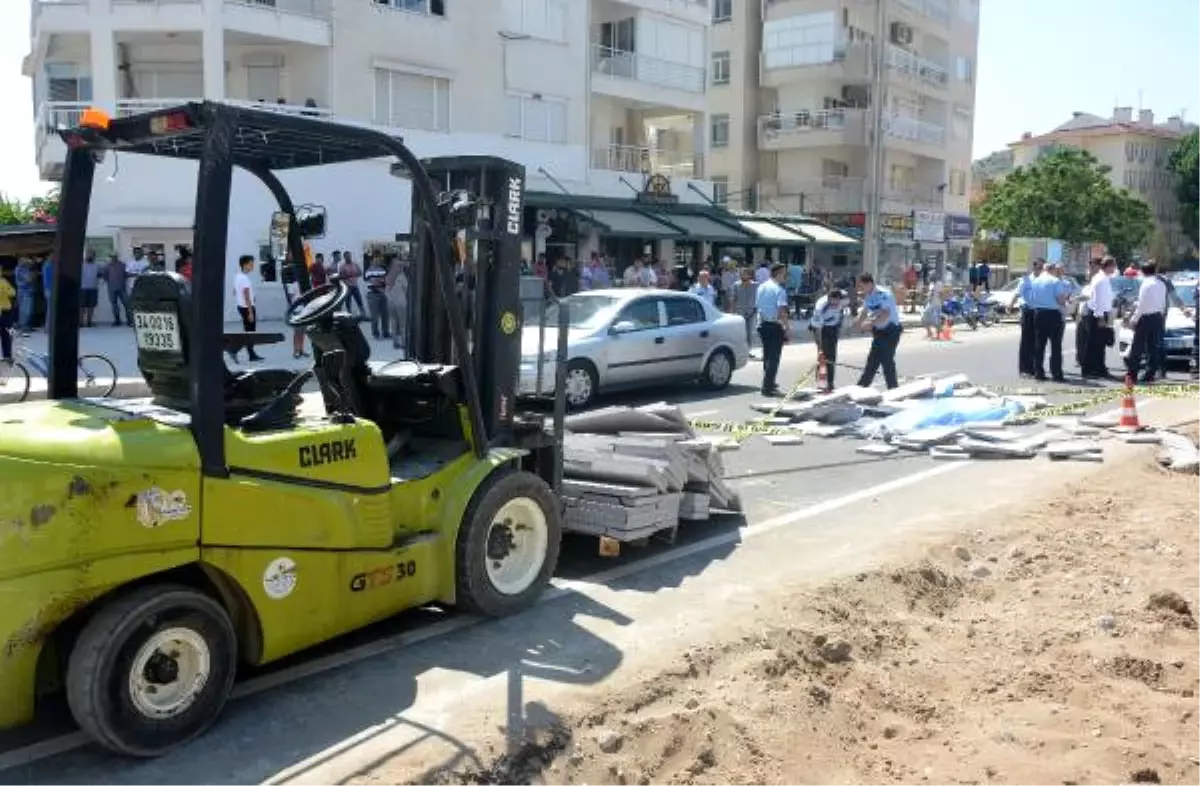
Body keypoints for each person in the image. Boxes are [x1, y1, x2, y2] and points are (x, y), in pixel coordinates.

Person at [853, 273, 903, 389]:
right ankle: (862, 387)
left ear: (869, 284)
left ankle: (893, 388)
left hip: (891, 331)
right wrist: (857, 323)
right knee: (872, 361)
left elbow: (885, 314)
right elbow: (865, 312)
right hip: (879, 332)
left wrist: (870, 324)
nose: (861, 289)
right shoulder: (868, 295)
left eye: (862, 286)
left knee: (887, 360)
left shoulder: (884, 294)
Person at [1125, 261, 1168, 383]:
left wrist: (1134, 319)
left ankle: (1132, 374)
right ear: (1155, 271)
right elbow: (1163, 304)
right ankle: (1150, 374)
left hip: (1145, 317)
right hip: (1158, 317)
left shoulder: (1146, 285)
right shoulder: (1161, 284)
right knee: (1153, 347)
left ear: (1143, 272)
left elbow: (1142, 305)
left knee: (1137, 347)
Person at [1028, 259, 1070, 382]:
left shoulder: (1035, 281)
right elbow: (1060, 300)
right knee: (1056, 345)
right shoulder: (1055, 281)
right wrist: (1066, 300)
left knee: (1039, 345)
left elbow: (1031, 298)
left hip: (1038, 313)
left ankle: (1038, 372)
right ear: (1052, 269)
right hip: (1053, 314)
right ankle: (1056, 373)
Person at [755, 263, 790, 397]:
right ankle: (767, 387)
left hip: (762, 324)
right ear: (779, 274)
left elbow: (757, 305)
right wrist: (787, 327)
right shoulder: (779, 290)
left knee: (767, 355)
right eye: (784, 274)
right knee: (774, 358)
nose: (785, 277)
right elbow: (782, 310)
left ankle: (769, 381)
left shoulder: (761, 287)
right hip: (774, 324)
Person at [1081, 256, 1118, 379]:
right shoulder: (1101, 279)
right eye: (1113, 266)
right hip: (1098, 315)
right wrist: (1101, 317)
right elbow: (1097, 300)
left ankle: (1098, 369)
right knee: (1094, 344)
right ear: (1108, 266)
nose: (1115, 268)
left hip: (1101, 313)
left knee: (1099, 344)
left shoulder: (1103, 278)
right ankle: (1089, 370)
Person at [230, 255, 263, 363]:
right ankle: (235, 350)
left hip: (241, 306)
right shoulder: (244, 278)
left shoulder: (238, 276)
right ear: (244, 265)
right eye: (250, 264)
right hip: (247, 308)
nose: (252, 266)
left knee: (248, 332)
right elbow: (247, 295)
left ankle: (251, 354)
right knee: (249, 333)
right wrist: (250, 312)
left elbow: (234, 291)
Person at [809, 288, 844, 392]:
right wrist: (820, 347)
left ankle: (830, 383)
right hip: (822, 328)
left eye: (836, 303)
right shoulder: (820, 307)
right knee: (823, 356)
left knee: (832, 356)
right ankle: (821, 383)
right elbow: (817, 328)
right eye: (832, 304)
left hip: (833, 327)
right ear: (828, 299)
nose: (835, 305)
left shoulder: (843, 300)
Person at [1017, 258, 1045, 377]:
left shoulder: (1045, 280)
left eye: (1042, 268)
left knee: (1037, 342)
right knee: (1026, 341)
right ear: (1034, 268)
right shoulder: (1027, 280)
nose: (1041, 271)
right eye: (1039, 268)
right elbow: (1018, 293)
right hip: (1028, 311)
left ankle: (1035, 367)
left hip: (1040, 311)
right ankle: (1025, 368)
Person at [1075, 258, 1101, 367]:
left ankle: (1089, 363)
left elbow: (1088, 298)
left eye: (1091, 269)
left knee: (1090, 341)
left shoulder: (1097, 285)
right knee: (1080, 340)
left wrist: (1075, 298)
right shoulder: (1085, 287)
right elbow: (1080, 304)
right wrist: (1077, 314)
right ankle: (1081, 360)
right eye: (1089, 269)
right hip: (1082, 316)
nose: (1088, 272)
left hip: (1091, 316)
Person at [386, 256, 409, 352]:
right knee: (403, 324)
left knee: (393, 322)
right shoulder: (401, 277)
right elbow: (407, 289)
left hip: (390, 302)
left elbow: (386, 291)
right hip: (401, 303)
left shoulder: (389, 276)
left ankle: (395, 342)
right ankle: (404, 343)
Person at [101, 253, 131, 327]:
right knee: (114, 305)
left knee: (127, 304)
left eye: (114, 256)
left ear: (117, 257)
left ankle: (130, 320)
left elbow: (126, 274)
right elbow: (105, 276)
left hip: (122, 288)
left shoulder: (123, 265)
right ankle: (117, 320)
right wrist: (110, 281)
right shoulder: (107, 266)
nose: (113, 258)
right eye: (111, 257)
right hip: (111, 288)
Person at [364, 255, 390, 340]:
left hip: (383, 293)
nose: (378, 261)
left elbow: (386, 281)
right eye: (376, 259)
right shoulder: (368, 271)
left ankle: (385, 332)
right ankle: (375, 333)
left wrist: (380, 282)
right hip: (373, 294)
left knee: (385, 314)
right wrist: (380, 281)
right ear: (372, 261)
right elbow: (373, 282)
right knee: (374, 315)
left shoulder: (382, 270)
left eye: (379, 260)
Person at [732, 266, 758, 352]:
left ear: (749, 275)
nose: (742, 275)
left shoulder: (755, 285)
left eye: (744, 273)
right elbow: (733, 298)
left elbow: (758, 298)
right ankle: (739, 349)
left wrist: (756, 308)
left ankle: (748, 349)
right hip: (740, 312)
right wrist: (732, 311)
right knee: (740, 332)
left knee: (749, 332)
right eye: (741, 273)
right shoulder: (736, 285)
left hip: (751, 312)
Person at [339, 250, 366, 317]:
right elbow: (341, 276)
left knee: (359, 300)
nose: (348, 257)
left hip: (355, 286)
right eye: (347, 256)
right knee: (348, 302)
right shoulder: (342, 266)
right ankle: (349, 315)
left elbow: (360, 273)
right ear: (344, 257)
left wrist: (354, 274)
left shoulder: (355, 264)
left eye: (349, 256)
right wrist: (348, 276)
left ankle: (363, 314)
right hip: (347, 287)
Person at [15, 258, 35, 336]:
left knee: (27, 309)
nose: (29, 263)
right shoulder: (21, 269)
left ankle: (26, 325)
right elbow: (29, 279)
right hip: (25, 291)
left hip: (25, 291)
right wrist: (32, 276)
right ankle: (24, 327)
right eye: (26, 261)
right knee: (25, 310)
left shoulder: (23, 269)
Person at [80, 251, 99, 328]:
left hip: (93, 288)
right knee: (81, 306)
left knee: (91, 306)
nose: (89, 256)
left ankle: (89, 322)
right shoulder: (81, 265)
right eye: (88, 255)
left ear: (94, 256)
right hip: (82, 288)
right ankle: (80, 322)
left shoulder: (97, 266)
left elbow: (101, 274)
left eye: (91, 255)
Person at [0, 271, 15, 366]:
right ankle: (7, 357)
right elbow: (13, 293)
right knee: (6, 335)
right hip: (5, 312)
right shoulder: (3, 281)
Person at [41, 256, 54, 329]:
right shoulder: (49, 266)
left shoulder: (45, 266)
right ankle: (48, 327)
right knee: (51, 309)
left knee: (50, 308)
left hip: (48, 289)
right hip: (50, 289)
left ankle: (48, 326)